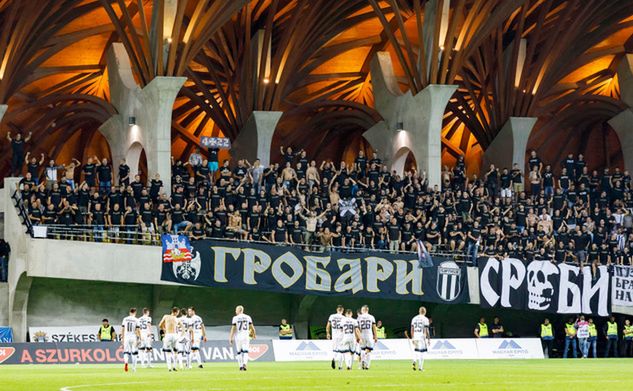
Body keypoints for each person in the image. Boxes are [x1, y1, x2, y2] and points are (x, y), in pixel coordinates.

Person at [229, 305, 256, 371]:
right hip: (246, 336)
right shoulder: (248, 317)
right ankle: (245, 364)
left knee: (239, 352)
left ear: (240, 310)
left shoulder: (235, 318)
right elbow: (252, 328)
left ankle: (240, 366)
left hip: (238, 336)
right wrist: (254, 334)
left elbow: (233, 329)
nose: (235, 311)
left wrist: (230, 337)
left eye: (236, 310)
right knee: (246, 351)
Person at [159, 307, 181, 372]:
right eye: (177, 313)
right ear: (175, 312)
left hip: (168, 335)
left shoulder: (166, 316)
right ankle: (174, 366)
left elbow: (160, 325)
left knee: (168, 352)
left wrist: (164, 329)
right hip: (175, 335)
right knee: (175, 351)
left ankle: (169, 368)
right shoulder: (176, 319)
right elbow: (180, 326)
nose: (177, 314)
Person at [410, 306, 430, 372]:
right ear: (425, 312)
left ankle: (414, 360)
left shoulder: (414, 318)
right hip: (422, 336)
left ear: (419, 311)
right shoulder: (425, 319)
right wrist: (428, 339)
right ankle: (420, 368)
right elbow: (426, 330)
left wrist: (412, 338)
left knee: (416, 350)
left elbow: (412, 329)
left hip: (415, 335)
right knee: (422, 352)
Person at [357, 305, 377, 370]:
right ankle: (367, 366)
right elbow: (374, 327)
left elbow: (357, 329)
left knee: (362, 349)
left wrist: (358, 337)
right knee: (369, 350)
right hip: (369, 335)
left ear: (363, 310)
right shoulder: (371, 317)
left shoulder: (359, 318)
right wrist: (375, 336)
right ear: (367, 310)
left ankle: (363, 360)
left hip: (362, 335)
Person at [120, 308, 140, 372]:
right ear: (135, 313)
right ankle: (134, 368)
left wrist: (122, 338)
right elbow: (137, 330)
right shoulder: (136, 320)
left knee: (126, 352)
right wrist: (139, 338)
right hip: (133, 337)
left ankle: (126, 362)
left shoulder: (125, 319)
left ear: (130, 312)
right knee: (134, 352)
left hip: (126, 337)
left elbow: (123, 329)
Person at [326, 305, 344, 370]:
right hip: (341, 336)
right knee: (341, 351)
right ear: (342, 310)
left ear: (337, 310)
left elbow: (328, 326)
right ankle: (340, 366)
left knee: (335, 350)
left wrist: (328, 333)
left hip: (334, 336)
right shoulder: (343, 318)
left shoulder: (332, 316)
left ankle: (333, 358)